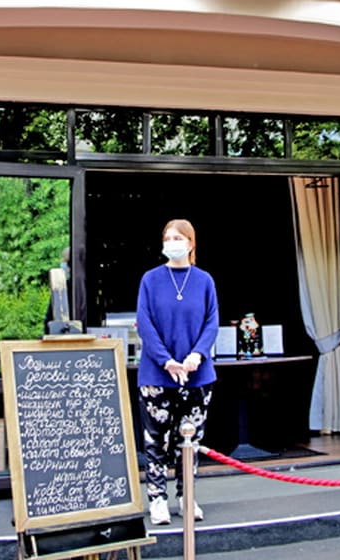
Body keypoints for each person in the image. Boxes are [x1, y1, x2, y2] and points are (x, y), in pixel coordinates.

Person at [135, 219, 219, 525]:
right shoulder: (150, 279)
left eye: (178, 238)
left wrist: (197, 355)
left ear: (191, 243)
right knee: (155, 441)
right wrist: (166, 360)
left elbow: (212, 321)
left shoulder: (204, 281)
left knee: (190, 441)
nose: (172, 242)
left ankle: (187, 496)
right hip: (157, 375)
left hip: (197, 374)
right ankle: (157, 499)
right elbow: (144, 322)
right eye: (167, 237)